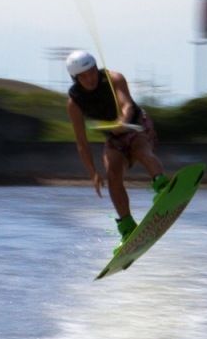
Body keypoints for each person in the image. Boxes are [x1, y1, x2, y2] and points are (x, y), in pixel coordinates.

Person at [65, 50, 169, 249]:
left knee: (140, 149)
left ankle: (163, 187)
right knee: (112, 173)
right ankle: (128, 228)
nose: (90, 78)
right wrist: (93, 173)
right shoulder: (74, 103)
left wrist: (124, 120)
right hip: (114, 137)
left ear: (96, 68)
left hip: (137, 125)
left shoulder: (114, 78)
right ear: (76, 79)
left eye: (92, 71)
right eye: (83, 76)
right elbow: (81, 142)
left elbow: (127, 104)